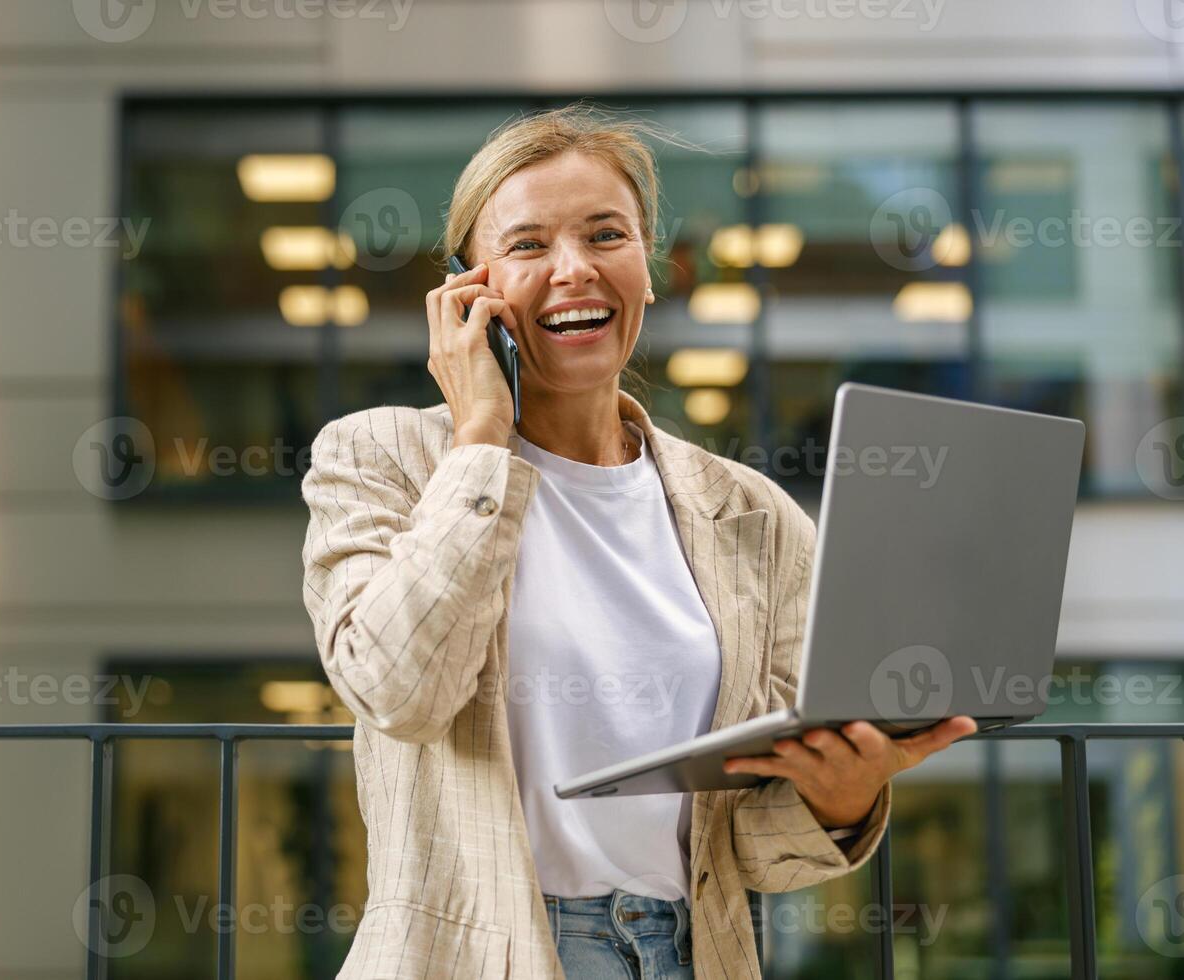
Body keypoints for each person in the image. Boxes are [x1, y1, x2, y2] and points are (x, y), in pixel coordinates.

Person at [299, 104, 976, 979]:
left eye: (605, 234)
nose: (574, 269)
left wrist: (841, 795)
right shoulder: (381, 456)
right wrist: (479, 443)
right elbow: (401, 692)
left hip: (689, 952)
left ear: (648, 270)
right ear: (471, 292)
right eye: (529, 245)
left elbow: (751, 849)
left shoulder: (753, 515)